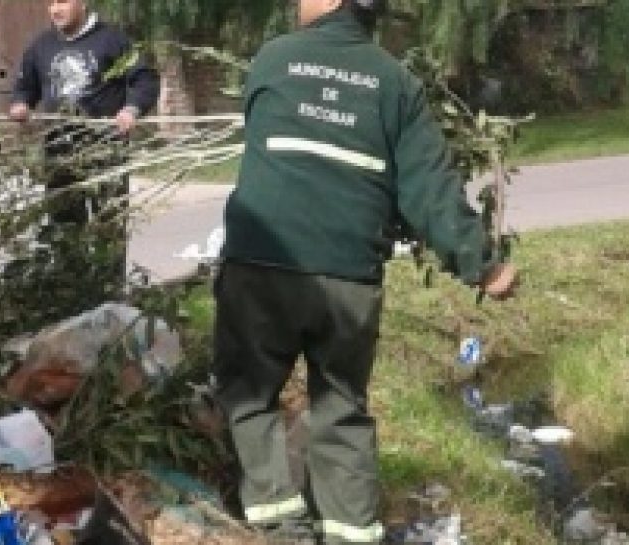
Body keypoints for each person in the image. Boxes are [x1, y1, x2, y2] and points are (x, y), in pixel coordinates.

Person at [212, 1, 519, 543]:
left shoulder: (273, 58)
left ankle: (278, 522)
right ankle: (350, 530)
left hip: (262, 265)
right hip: (347, 279)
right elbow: (430, 189)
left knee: (249, 392)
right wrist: (484, 267)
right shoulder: (395, 82)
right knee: (341, 406)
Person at [8, 0, 160, 293]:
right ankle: (72, 295)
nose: (55, 9)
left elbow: (144, 80)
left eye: (62, 1)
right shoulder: (41, 45)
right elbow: (25, 86)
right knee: (64, 227)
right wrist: (20, 104)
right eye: (50, 2)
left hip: (105, 151)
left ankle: (109, 295)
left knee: (109, 224)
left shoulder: (113, 40)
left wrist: (131, 110)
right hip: (59, 152)